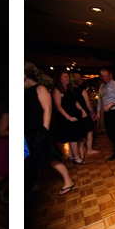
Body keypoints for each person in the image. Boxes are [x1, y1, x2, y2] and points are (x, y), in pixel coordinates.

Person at [23, 61, 75, 196]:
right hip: (29, 130)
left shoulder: (40, 88)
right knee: (34, 158)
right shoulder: (24, 92)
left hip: (40, 130)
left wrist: (43, 132)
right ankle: (35, 184)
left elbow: (48, 110)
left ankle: (68, 181)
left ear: (24, 75)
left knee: (51, 157)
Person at [51, 71, 87, 165]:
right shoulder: (57, 90)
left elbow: (75, 102)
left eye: (68, 77)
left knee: (75, 136)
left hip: (73, 116)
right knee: (73, 138)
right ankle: (76, 158)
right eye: (65, 77)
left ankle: (70, 155)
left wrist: (82, 110)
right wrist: (69, 117)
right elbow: (58, 106)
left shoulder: (69, 89)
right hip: (65, 118)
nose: (68, 79)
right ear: (59, 79)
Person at [95, 68, 115, 161]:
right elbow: (100, 99)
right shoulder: (102, 86)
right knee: (110, 131)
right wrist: (98, 112)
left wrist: (111, 104)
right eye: (104, 76)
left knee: (112, 132)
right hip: (107, 112)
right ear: (101, 77)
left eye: (108, 76)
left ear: (110, 75)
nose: (107, 78)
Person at [71, 73, 99, 157]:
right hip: (84, 114)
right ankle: (89, 150)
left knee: (78, 133)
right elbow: (88, 105)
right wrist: (93, 113)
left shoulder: (70, 91)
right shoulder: (82, 91)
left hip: (74, 114)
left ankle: (75, 153)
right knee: (89, 131)